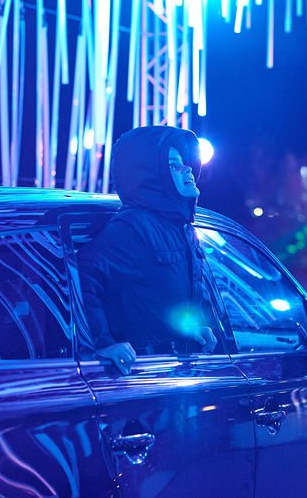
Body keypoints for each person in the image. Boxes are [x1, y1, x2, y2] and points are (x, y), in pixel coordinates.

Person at [78, 126, 219, 374]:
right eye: (174, 166)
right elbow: (82, 277)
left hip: (176, 372)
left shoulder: (182, 227)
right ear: (153, 177)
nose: (188, 169)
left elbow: (154, 300)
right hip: (137, 375)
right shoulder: (133, 227)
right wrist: (103, 344)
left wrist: (188, 331)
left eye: (185, 163)